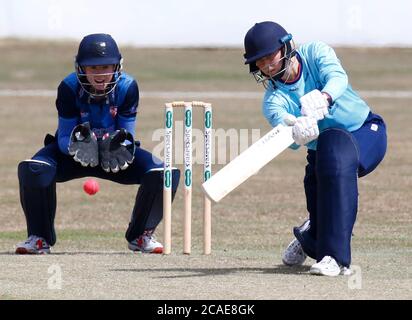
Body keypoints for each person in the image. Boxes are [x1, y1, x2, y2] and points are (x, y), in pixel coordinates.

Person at [243, 21, 387, 276]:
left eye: (269, 57)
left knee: (336, 152)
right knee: (327, 181)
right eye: (259, 63)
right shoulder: (274, 100)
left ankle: (335, 258)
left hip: (365, 132)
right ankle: (310, 235)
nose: (266, 66)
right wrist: (296, 130)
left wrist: (325, 97)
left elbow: (337, 77)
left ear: (286, 47)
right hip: (322, 155)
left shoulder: (314, 52)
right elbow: (285, 131)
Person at [16, 33, 180, 254]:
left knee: (165, 173)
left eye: (106, 67)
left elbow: (127, 133)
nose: (101, 74)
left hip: (113, 155)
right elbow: (64, 136)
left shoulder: (128, 87)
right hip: (74, 154)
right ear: (81, 68)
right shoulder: (68, 87)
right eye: (93, 68)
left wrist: (122, 145)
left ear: (117, 66)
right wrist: (76, 144)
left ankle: (140, 236)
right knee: (34, 169)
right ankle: (39, 238)